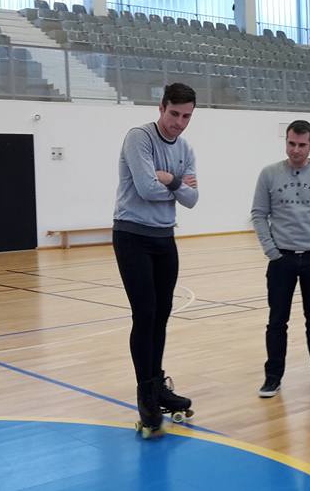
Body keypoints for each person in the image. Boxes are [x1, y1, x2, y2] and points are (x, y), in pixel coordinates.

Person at [113, 83, 199, 436]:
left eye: (186, 116)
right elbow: (147, 189)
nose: (179, 122)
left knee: (161, 316)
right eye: (174, 113)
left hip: (165, 238)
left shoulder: (185, 148)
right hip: (132, 236)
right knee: (145, 314)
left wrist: (170, 180)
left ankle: (157, 383)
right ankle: (146, 394)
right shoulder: (140, 138)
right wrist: (178, 185)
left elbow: (192, 199)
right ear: (161, 107)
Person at [252, 120, 310, 397]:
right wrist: (272, 252)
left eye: (301, 145)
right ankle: (273, 377)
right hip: (281, 260)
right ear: (286, 142)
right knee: (277, 321)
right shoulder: (269, 174)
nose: (295, 150)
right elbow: (259, 214)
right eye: (291, 143)